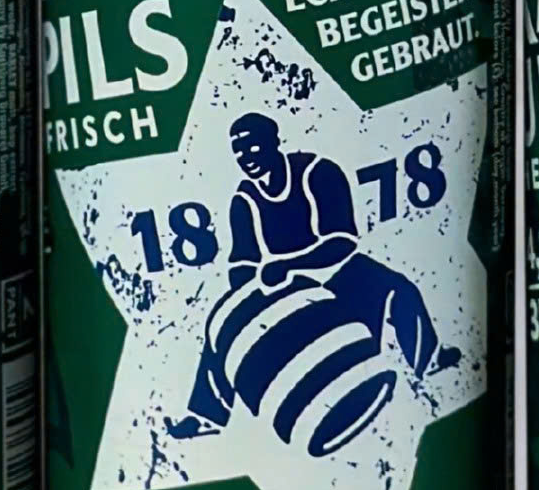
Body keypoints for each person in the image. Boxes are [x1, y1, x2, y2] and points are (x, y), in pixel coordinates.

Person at [170, 112, 457, 446]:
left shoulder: (317, 172)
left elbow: (342, 241)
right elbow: (243, 261)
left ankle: (429, 360)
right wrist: (246, 301)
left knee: (398, 288)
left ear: (274, 141)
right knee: (221, 327)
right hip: (289, 288)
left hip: (338, 269)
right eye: (239, 152)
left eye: (252, 147)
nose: (246, 158)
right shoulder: (244, 199)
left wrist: (289, 265)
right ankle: (206, 415)